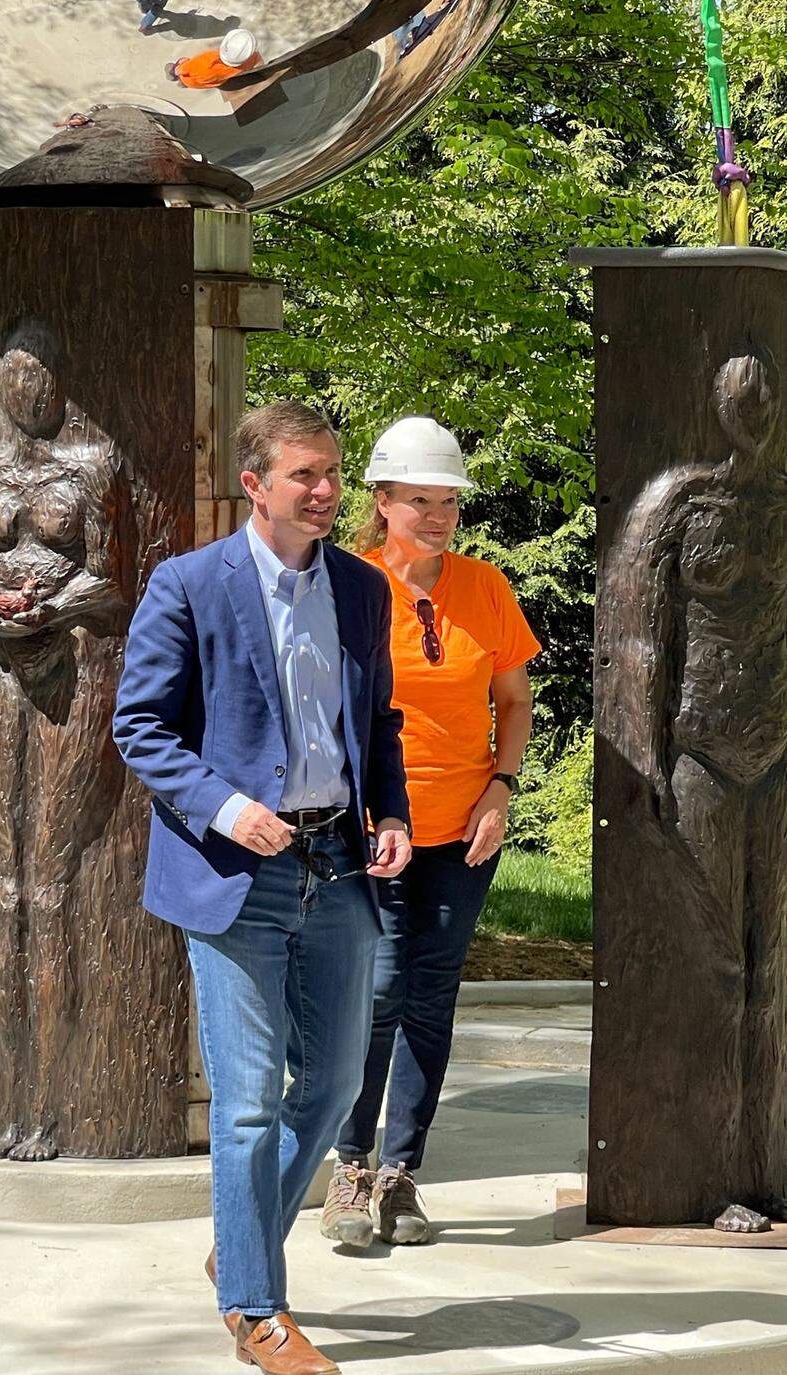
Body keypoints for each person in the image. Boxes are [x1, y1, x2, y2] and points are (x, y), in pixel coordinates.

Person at [114, 401, 411, 1374]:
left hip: (338, 864)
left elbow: (377, 722)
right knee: (246, 1103)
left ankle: (237, 1243)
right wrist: (224, 804)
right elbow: (141, 726)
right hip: (237, 871)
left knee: (327, 1086)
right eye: (305, 476)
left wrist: (393, 812)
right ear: (255, 485)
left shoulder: (363, 592)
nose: (326, 493)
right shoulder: (190, 585)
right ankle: (256, 1311)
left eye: (333, 474)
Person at [319, 416, 539, 1250]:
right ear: (381, 501)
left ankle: (402, 1176)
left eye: (449, 500)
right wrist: (365, 808)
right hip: (375, 829)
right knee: (376, 992)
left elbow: (514, 701)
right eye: (421, 500)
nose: (439, 514)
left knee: (431, 998)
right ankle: (350, 1164)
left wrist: (501, 789)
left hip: (464, 831)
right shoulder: (348, 582)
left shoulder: (486, 587)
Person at [165, 28, 263, 90]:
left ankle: (174, 74)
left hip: (202, 79)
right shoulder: (239, 68)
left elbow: (183, 64)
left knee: (185, 64)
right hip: (210, 79)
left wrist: (178, 68)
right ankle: (179, 78)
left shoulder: (208, 61)